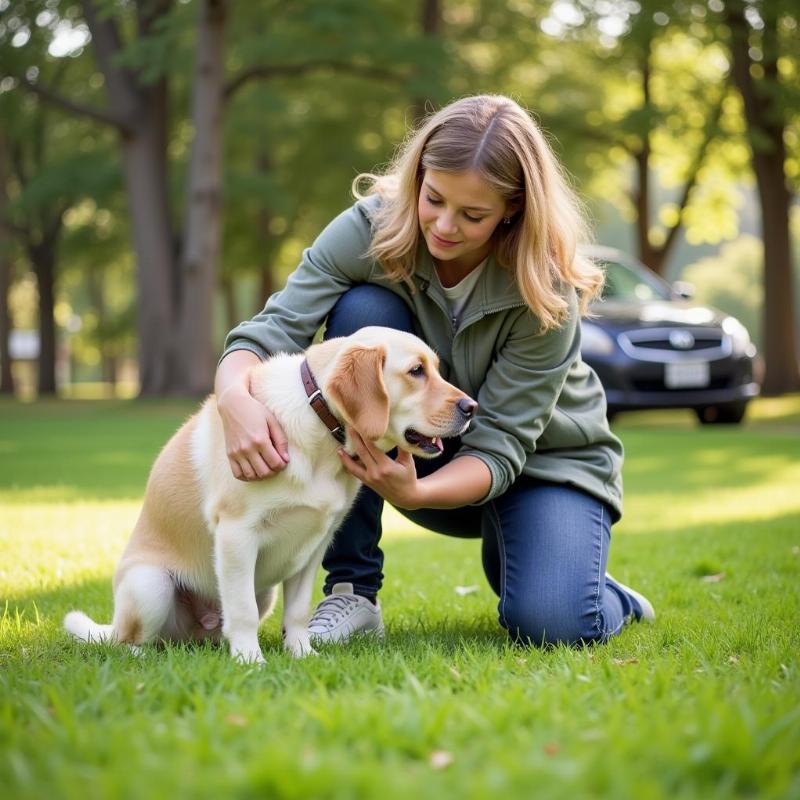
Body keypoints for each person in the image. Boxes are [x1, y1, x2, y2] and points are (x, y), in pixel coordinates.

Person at [214, 94, 655, 648]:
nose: (444, 226)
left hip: (544, 466)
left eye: (473, 215)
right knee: (362, 323)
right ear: (418, 176)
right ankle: (352, 593)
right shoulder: (369, 228)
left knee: (552, 621)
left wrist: (416, 493)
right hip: (422, 445)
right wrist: (234, 398)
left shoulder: (547, 287)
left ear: (514, 210)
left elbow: (501, 447)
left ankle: (591, 587)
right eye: (433, 198)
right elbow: (271, 329)